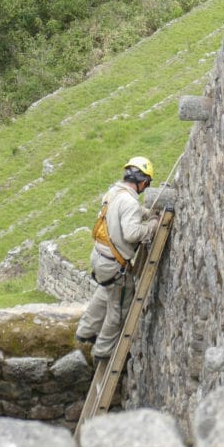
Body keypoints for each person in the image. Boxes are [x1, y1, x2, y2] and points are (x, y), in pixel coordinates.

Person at [75, 156, 159, 365]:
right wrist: (152, 226)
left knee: (106, 291)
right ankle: (103, 350)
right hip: (114, 264)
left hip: (100, 258)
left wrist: (145, 213)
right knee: (119, 307)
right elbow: (131, 233)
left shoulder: (114, 192)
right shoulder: (129, 201)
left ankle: (85, 331)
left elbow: (122, 211)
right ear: (142, 181)